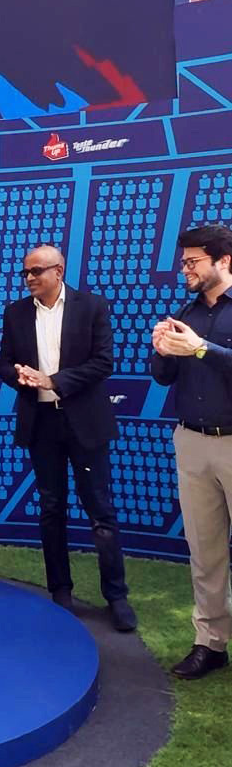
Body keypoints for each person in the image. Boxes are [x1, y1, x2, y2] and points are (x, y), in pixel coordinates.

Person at [0, 245, 136, 631]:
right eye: (25, 272)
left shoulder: (92, 307)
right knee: (51, 508)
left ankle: (116, 595)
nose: (29, 279)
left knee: (100, 512)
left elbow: (103, 363)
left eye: (37, 271)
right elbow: (4, 364)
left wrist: (55, 381)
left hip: (85, 423)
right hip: (41, 423)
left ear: (59, 271)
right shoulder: (15, 313)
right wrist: (20, 376)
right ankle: (60, 589)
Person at [151, 223, 232, 680]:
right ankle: (211, 644)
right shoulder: (187, 311)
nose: (185, 269)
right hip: (193, 441)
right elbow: (163, 377)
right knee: (204, 550)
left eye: (193, 262)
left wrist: (203, 349)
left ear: (224, 261)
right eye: (184, 262)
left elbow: (211, 357)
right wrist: (163, 349)